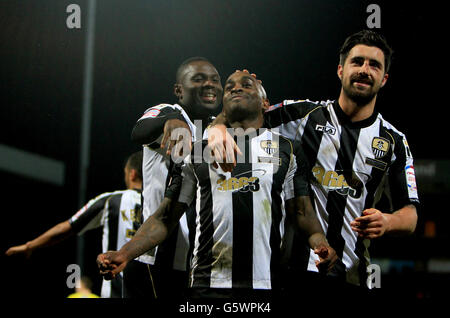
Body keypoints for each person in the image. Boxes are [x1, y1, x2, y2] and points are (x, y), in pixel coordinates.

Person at [208, 30, 419, 297]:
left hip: (351, 273)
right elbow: (243, 111)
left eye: (374, 65)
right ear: (341, 70)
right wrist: (216, 128)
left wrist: (387, 221)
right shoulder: (302, 114)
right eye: (358, 62)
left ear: (384, 78)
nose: (365, 70)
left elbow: (410, 216)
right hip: (291, 272)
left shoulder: (394, 141)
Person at [97, 71, 337, 303]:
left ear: (265, 103)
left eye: (246, 84)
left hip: (266, 286)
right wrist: (124, 253)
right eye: (230, 86)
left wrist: (321, 244)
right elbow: (165, 217)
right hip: (205, 284)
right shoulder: (197, 151)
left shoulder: (288, 150)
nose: (236, 88)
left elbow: (303, 214)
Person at [122, 57, 224, 299]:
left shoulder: (217, 131)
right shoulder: (170, 111)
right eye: (198, 79)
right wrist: (169, 121)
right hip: (155, 258)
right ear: (179, 90)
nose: (209, 85)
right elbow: (139, 131)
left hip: (197, 264)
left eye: (215, 80)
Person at [5, 151, 143, 298]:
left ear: (131, 174)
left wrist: (29, 246)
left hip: (115, 292)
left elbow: (68, 227)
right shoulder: (157, 206)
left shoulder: (111, 200)